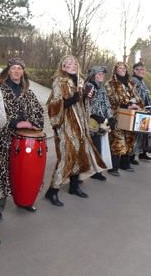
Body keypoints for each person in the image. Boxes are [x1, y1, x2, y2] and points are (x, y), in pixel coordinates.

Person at [44, 55, 106, 207]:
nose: (72, 65)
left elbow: (84, 104)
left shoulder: (81, 82)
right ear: (63, 67)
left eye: (74, 63)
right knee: (66, 157)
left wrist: (87, 97)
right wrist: (75, 98)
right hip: (66, 125)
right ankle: (53, 190)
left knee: (79, 154)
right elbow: (54, 105)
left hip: (80, 125)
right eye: (68, 63)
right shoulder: (59, 82)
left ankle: (73, 186)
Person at [0, 57, 44, 220]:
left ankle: (24, 200)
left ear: (23, 71)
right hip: (3, 137)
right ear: (8, 71)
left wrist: (31, 123)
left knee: (23, 171)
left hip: (23, 139)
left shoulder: (28, 92)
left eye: (19, 68)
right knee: (1, 170)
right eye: (13, 68)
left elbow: (38, 112)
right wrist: (15, 123)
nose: (16, 71)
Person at [105, 62, 143, 176]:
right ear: (115, 70)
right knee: (118, 140)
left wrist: (139, 106)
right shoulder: (110, 83)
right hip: (117, 115)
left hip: (130, 115)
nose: (122, 70)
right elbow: (111, 100)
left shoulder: (129, 83)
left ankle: (125, 164)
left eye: (124, 68)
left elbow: (136, 96)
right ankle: (113, 167)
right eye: (120, 68)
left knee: (129, 138)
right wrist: (126, 106)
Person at [85, 66, 115, 181]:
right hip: (92, 122)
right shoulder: (89, 87)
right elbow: (88, 105)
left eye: (102, 74)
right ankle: (91, 170)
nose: (101, 75)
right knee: (94, 147)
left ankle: (96, 170)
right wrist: (95, 116)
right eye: (98, 74)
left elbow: (106, 104)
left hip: (102, 121)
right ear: (93, 74)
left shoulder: (101, 88)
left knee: (99, 146)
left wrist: (110, 117)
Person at [130, 62, 151, 162]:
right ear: (135, 71)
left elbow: (146, 95)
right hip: (137, 111)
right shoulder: (133, 81)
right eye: (140, 69)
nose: (142, 71)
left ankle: (142, 153)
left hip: (145, 110)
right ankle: (131, 156)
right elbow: (132, 96)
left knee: (144, 132)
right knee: (136, 134)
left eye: (143, 70)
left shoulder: (142, 81)